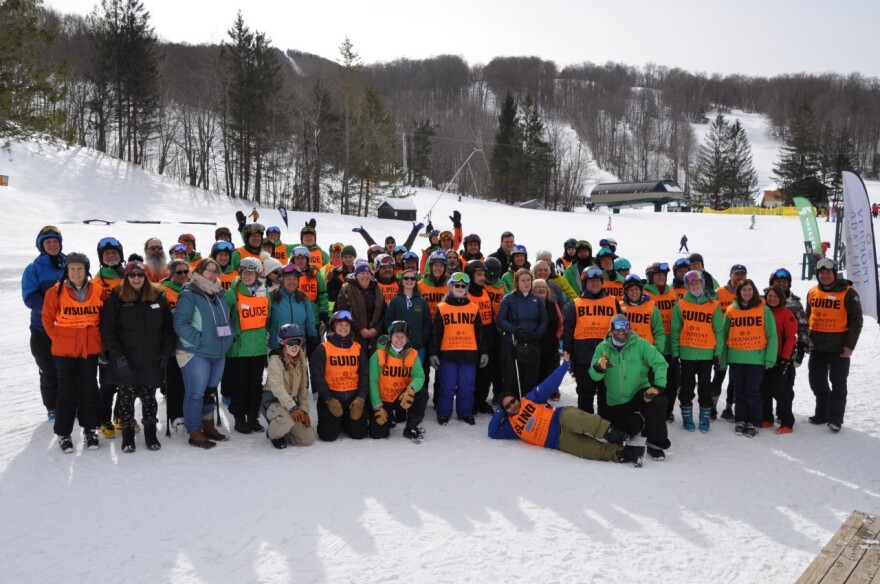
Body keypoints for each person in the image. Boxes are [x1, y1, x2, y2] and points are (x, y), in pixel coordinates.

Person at [488, 356, 645, 467]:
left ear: (517, 398)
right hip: (559, 441)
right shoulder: (510, 426)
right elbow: (492, 432)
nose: (512, 406)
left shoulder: (529, 399)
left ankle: (615, 435)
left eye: (513, 401)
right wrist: (500, 412)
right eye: (507, 407)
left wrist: (565, 366)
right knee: (592, 451)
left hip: (560, 417)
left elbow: (548, 384)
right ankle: (629, 453)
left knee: (585, 421)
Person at [100, 260, 174, 452]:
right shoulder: (117, 298)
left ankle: (151, 433)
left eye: (140, 275)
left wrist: (166, 352)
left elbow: (168, 327)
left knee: (149, 398)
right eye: (132, 275)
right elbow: (108, 330)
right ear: (126, 277)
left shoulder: (157, 296)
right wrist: (117, 356)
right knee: (126, 398)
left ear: (146, 276)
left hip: (152, 358)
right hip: (126, 359)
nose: (136, 278)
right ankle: (127, 435)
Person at [41, 252, 103, 453]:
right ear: (66, 271)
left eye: (80, 269)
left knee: (89, 389)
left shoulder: (99, 290)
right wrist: (60, 338)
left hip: (89, 348)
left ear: (86, 271)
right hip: (64, 350)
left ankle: (90, 429)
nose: (76, 273)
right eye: (72, 269)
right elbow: (47, 320)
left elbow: (105, 318)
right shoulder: (55, 292)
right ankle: (63, 432)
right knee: (66, 391)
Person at [173, 258, 234, 449]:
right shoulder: (190, 293)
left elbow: (226, 319)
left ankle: (208, 426)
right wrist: (199, 340)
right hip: (195, 352)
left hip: (218, 351)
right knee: (196, 393)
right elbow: (180, 324)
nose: (212, 274)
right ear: (199, 271)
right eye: (209, 270)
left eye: (215, 271)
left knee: (209, 393)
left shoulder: (218, 293)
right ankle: (194, 430)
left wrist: (230, 337)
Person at [590, 314, 671, 460]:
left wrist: (658, 386)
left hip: (639, 394)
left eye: (625, 326)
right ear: (611, 328)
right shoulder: (602, 348)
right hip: (615, 403)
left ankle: (656, 444)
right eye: (617, 327)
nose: (621, 330)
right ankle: (640, 420)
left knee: (659, 401)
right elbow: (594, 376)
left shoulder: (641, 344)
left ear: (629, 327)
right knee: (621, 434)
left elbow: (660, 363)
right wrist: (599, 368)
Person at [805, 258, 863, 432]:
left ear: (834, 273)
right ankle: (822, 413)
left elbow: (856, 321)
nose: (824, 276)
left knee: (838, 383)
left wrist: (850, 345)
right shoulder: (813, 292)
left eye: (828, 272)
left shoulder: (848, 293)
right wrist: (806, 341)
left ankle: (835, 418)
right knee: (816, 381)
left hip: (839, 347)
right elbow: (808, 318)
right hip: (817, 346)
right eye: (821, 273)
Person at [719, 279, 777, 437]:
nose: (747, 293)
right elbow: (724, 336)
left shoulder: (763, 309)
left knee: (752, 391)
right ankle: (740, 419)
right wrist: (723, 360)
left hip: (756, 358)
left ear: (754, 291)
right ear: (739, 292)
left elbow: (772, 336)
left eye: (750, 290)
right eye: (744, 290)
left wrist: (769, 359)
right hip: (736, 357)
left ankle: (754, 421)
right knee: (739, 391)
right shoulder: (731, 310)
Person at [221, 256, 271, 434]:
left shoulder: (264, 293)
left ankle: (253, 417)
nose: (247, 275)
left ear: (257, 274)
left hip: (258, 348)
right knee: (240, 385)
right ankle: (239, 418)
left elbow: (268, 317)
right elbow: (223, 317)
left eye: (251, 272)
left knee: (255, 385)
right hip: (239, 349)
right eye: (244, 272)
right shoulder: (232, 293)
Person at [429, 271, 487, 425]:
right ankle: (444, 413)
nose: (460, 288)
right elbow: (436, 333)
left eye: (463, 286)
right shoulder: (442, 308)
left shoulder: (474, 308)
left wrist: (484, 352)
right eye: (457, 285)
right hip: (448, 354)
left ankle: (465, 412)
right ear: (450, 287)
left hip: (469, 354)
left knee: (466, 386)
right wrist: (433, 353)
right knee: (447, 386)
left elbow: (479, 333)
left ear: (467, 288)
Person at [563, 266, 621, 415]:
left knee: (606, 393)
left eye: (597, 281)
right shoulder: (575, 304)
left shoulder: (613, 302)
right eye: (590, 281)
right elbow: (568, 330)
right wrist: (568, 352)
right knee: (585, 393)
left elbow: (622, 328)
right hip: (583, 357)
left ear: (602, 282)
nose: (594, 284)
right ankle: (586, 425)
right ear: (585, 284)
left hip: (608, 355)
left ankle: (605, 425)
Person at [22, 225, 66, 421]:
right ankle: (53, 407)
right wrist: (54, 310)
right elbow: (30, 298)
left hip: (68, 329)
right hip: (42, 330)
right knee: (49, 370)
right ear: (41, 245)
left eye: (55, 241)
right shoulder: (33, 269)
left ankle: (71, 402)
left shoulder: (69, 265)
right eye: (48, 242)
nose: (52, 245)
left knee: (68, 369)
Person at [671, 270, 723, 433]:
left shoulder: (713, 305)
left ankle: (704, 418)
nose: (695, 286)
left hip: (706, 353)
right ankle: (687, 418)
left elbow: (718, 331)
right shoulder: (681, 304)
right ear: (686, 286)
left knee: (705, 387)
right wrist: (675, 352)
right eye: (691, 284)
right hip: (687, 353)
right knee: (687, 387)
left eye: (697, 283)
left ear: (702, 284)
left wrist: (718, 352)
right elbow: (675, 329)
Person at [310, 311, 369, 441]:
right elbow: (316, 376)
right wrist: (328, 399)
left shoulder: (357, 348)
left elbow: (365, 374)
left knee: (359, 434)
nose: (344, 328)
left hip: (353, 398)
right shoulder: (323, 348)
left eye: (347, 325)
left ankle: (344, 422)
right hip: (332, 398)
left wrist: (361, 398)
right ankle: (336, 421)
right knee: (328, 436)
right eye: (340, 324)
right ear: (334, 327)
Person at [369, 321, 428, 442]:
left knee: (422, 394)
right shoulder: (378, 354)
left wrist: (411, 389)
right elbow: (373, 381)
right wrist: (377, 405)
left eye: (403, 336)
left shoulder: (412, 354)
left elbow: (419, 375)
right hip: (384, 397)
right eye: (396, 336)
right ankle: (388, 415)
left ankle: (412, 426)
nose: (399, 340)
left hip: (402, 396)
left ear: (407, 338)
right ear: (390, 337)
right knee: (377, 434)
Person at [263, 324, 317, 449]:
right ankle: (273, 433)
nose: (294, 347)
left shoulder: (301, 358)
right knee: (288, 418)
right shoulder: (275, 361)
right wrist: (293, 408)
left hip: (291, 402)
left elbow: (303, 386)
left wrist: (303, 410)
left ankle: (285, 430)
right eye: (290, 343)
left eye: (297, 342)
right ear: (282, 343)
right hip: (274, 401)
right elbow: (277, 388)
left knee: (308, 438)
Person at [498, 268, 547, 398]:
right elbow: (501, 319)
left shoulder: (537, 300)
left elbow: (544, 320)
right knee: (512, 377)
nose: (526, 283)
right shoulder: (508, 299)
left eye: (528, 280)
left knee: (530, 377)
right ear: (517, 283)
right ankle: (512, 404)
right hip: (513, 341)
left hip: (532, 342)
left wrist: (537, 334)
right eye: (523, 280)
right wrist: (515, 331)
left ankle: (529, 404)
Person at [643, 262, 679, 422]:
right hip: (653, 346)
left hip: (670, 346)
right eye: (657, 274)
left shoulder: (672, 293)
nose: (661, 277)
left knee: (671, 382)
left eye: (664, 275)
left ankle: (667, 410)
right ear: (650, 277)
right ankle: (650, 410)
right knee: (652, 381)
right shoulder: (645, 294)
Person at [760, 285, 798, 433]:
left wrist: (784, 358)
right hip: (764, 357)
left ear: (781, 298)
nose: (772, 299)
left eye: (775, 296)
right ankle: (767, 417)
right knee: (765, 389)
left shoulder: (786, 314)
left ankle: (787, 421)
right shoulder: (763, 311)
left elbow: (790, 338)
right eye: (769, 296)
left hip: (780, 359)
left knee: (781, 391)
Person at [714, 264, 749, 420]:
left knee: (735, 378)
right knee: (719, 375)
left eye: (742, 274)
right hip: (720, 342)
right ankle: (712, 406)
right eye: (737, 274)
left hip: (738, 342)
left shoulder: (747, 294)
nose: (739, 277)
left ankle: (728, 408)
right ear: (730, 275)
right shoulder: (719, 293)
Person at [160, 259, 190, 435]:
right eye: (179, 272)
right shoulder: (163, 290)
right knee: (174, 381)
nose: (183, 275)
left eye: (186, 271)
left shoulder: (193, 288)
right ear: (171, 273)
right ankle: (175, 415)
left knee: (190, 381)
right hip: (172, 343)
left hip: (190, 344)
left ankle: (189, 412)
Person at [335, 262, 386, 355]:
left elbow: (384, 312)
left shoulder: (377, 289)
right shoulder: (346, 289)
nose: (365, 276)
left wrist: (377, 329)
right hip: (354, 335)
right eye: (362, 273)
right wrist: (360, 329)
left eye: (367, 273)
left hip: (374, 336)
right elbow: (343, 312)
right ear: (356, 275)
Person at [384, 268, 431, 368]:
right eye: (406, 278)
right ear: (401, 281)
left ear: (415, 281)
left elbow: (427, 322)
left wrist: (422, 339)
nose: (409, 281)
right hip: (398, 346)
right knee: (400, 376)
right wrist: (394, 338)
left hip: (417, 346)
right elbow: (388, 321)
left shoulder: (422, 301)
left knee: (416, 374)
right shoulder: (395, 301)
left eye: (412, 278)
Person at [532, 278, 563, 399]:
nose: (541, 289)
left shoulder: (553, 305)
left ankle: (547, 393)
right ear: (532, 290)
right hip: (534, 345)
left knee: (549, 372)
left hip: (550, 345)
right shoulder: (529, 304)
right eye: (537, 287)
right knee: (534, 373)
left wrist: (557, 337)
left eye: (543, 287)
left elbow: (561, 323)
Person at [619, 274, 665, 354]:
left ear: (641, 290)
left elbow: (659, 332)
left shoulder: (651, 307)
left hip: (646, 351)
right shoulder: (619, 306)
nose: (634, 293)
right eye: (631, 290)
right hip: (625, 351)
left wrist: (657, 352)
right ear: (626, 291)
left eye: (636, 289)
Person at [290, 245, 330, 329]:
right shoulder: (288, 276)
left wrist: (323, 314)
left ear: (307, 260)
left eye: (303, 258)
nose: (300, 261)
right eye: (297, 258)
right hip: (293, 319)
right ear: (293, 260)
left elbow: (323, 296)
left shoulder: (315, 274)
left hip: (313, 319)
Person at [93, 236, 125, 301]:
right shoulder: (97, 281)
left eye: (114, 252)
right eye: (107, 253)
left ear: (120, 255)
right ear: (101, 258)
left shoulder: (133, 276)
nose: (111, 255)